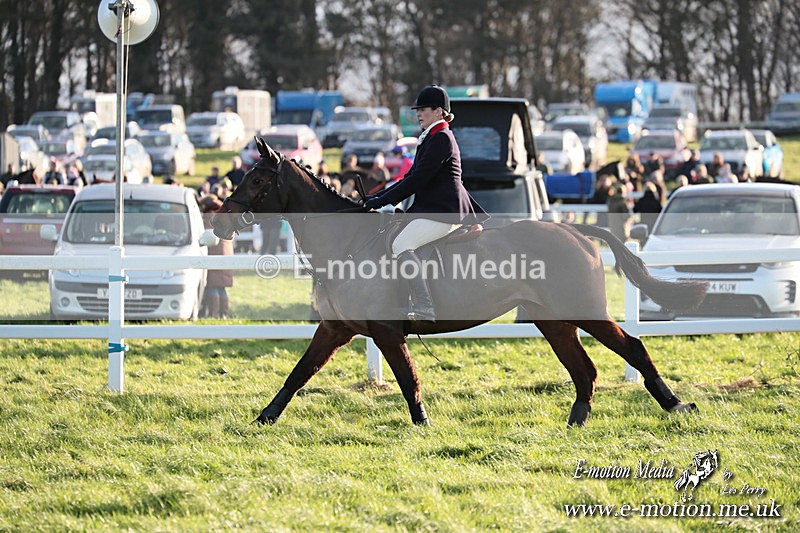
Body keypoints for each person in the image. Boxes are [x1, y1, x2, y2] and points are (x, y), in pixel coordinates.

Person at [364, 85, 489, 321]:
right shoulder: (431, 137)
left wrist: (382, 200)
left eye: (423, 109)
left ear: (439, 111)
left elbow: (418, 180)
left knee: (401, 245)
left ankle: (425, 305)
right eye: (418, 110)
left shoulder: (441, 138)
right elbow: (411, 177)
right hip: (433, 209)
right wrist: (378, 197)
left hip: (444, 211)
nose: (419, 114)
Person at [199, 194, 234, 318]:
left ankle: (213, 313)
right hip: (226, 254)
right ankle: (223, 313)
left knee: (213, 286)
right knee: (221, 288)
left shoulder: (210, 217)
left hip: (215, 253)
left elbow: (204, 235)